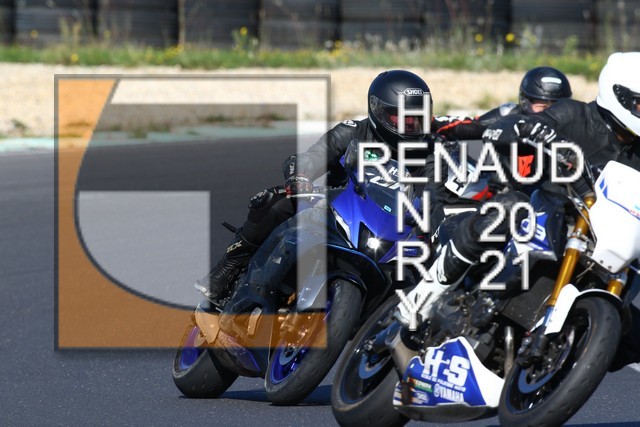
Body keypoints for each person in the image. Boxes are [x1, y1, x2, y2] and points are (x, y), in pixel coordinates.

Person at [397, 51, 640, 367]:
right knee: (510, 208)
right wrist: (530, 130)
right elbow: (512, 126)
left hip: (602, 245)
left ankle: (563, 360)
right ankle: (424, 297)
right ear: (620, 95)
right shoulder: (575, 114)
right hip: (541, 214)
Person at [197, 69, 444, 302]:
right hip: (336, 212)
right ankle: (228, 268)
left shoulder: (431, 153)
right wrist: (300, 177)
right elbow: (311, 157)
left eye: (418, 118)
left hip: (391, 231)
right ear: (378, 112)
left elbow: (441, 196)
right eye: (402, 117)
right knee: (276, 202)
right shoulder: (352, 133)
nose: (412, 125)